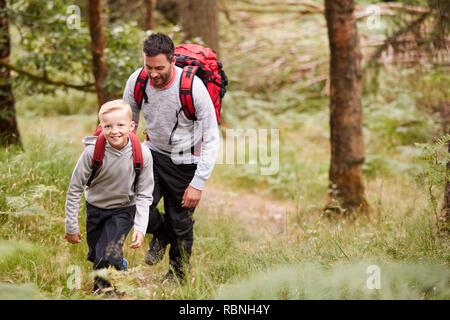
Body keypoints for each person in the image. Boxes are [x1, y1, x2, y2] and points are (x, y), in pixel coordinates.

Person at [122, 32, 220, 281]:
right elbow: (127, 124)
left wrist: (197, 184)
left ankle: (177, 276)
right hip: (152, 153)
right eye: (148, 66)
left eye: (160, 68)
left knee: (182, 222)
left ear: (173, 60)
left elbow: (211, 137)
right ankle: (162, 231)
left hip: (185, 162)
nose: (153, 74)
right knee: (131, 202)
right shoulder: (138, 80)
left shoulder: (192, 88)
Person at [64, 99, 154, 294]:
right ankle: (118, 266)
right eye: (108, 126)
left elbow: (145, 194)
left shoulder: (143, 154)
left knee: (107, 251)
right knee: (97, 253)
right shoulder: (91, 153)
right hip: (95, 208)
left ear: (131, 126)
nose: (115, 131)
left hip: (123, 209)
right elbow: (74, 189)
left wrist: (140, 226)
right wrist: (71, 226)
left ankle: (105, 290)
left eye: (121, 125)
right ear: (101, 127)